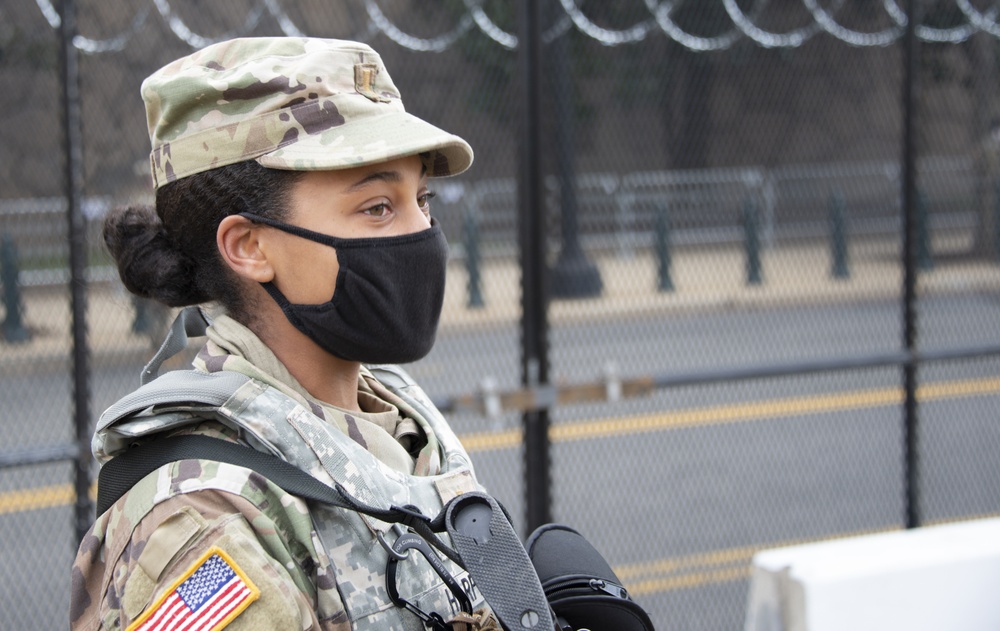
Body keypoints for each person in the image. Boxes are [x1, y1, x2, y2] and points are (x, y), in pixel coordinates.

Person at [70, 37, 488, 630]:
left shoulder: (401, 421)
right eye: (377, 207)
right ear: (248, 246)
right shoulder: (203, 523)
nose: (422, 233)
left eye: (422, 199)